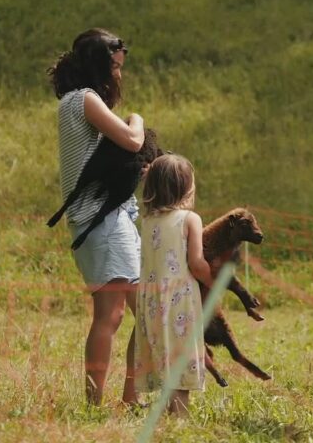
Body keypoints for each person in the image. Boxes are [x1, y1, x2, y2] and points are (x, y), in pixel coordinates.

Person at [47, 28, 146, 407]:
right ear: (98, 66)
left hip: (112, 220)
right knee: (112, 313)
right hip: (101, 223)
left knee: (147, 313)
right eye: (115, 67)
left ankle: (130, 398)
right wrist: (136, 117)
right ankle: (95, 403)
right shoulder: (84, 99)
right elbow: (133, 140)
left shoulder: (73, 102)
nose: (119, 75)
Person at [134, 154, 213, 415]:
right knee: (181, 354)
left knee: (164, 352)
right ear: (186, 187)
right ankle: (179, 417)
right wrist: (213, 280)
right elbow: (197, 262)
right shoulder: (190, 219)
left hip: (152, 302)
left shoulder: (146, 221)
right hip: (180, 301)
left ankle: (169, 409)